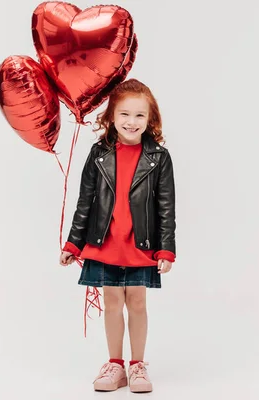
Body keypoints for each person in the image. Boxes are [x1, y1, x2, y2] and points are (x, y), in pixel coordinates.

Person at [59, 78, 176, 393]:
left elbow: (166, 208)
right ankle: (115, 364)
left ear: (150, 119)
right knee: (112, 302)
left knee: (137, 302)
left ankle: (138, 365)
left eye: (140, 115)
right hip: (105, 242)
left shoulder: (159, 158)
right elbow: (85, 201)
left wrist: (166, 250)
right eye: (124, 114)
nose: (131, 122)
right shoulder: (99, 154)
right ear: (111, 116)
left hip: (141, 244)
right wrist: (73, 242)